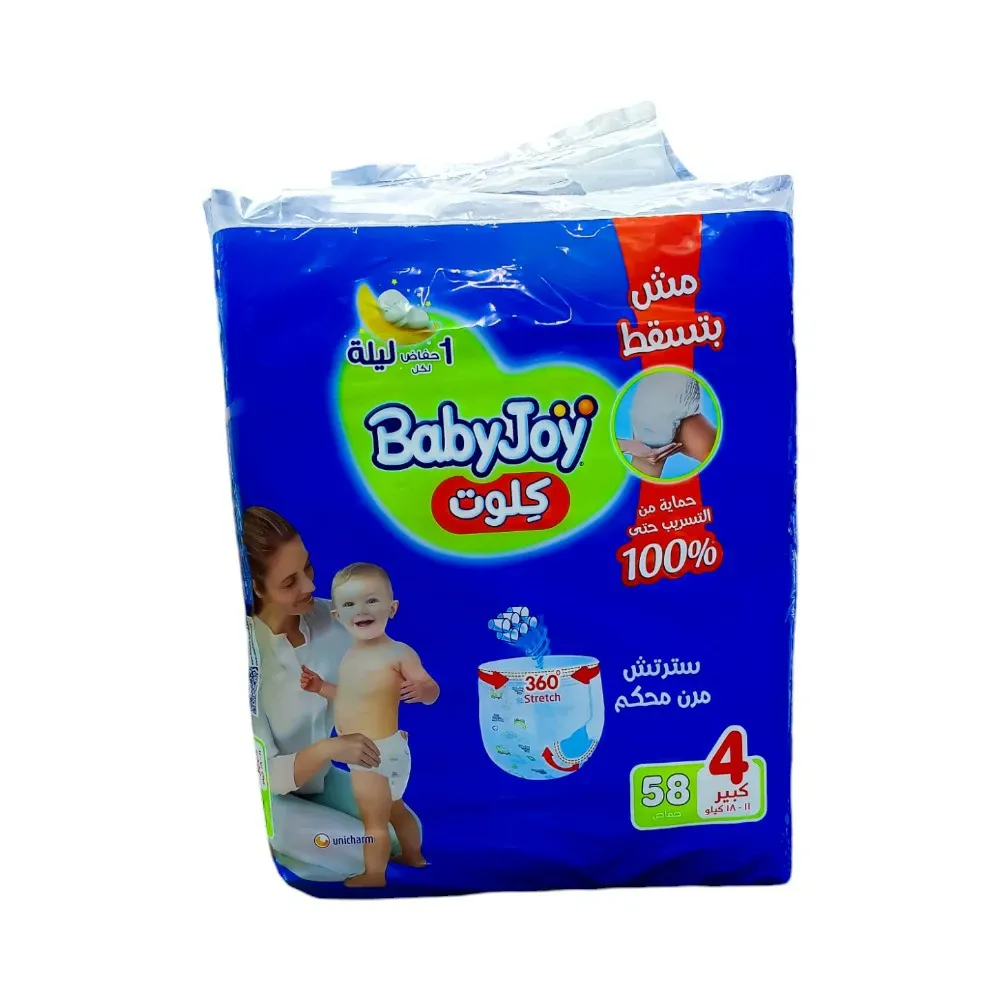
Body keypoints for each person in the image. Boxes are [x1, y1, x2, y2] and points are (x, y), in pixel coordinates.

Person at [242, 507, 422, 878]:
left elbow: (379, 666)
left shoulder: (333, 619)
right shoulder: (249, 650)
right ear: (257, 587)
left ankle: (312, 843)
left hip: (321, 780)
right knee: (360, 854)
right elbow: (268, 774)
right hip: (269, 796)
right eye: (289, 582)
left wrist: (385, 727)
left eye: (307, 568)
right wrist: (330, 748)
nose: (309, 586)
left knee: (399, 835)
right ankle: (274, 850)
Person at [301, 561, 439, 887]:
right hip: (390, 748)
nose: (361, 610)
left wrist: (424, 690)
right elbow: (350, 697)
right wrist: (321, 688)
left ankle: (374, 875)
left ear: (392, 608)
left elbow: (431, 688)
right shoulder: (350, 656)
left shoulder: (399, 653)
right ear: (337, 616)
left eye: (371, 600)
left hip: (371, 754)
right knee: (396, 808)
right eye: (350, 604)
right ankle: (414, 856)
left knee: (374, 821)